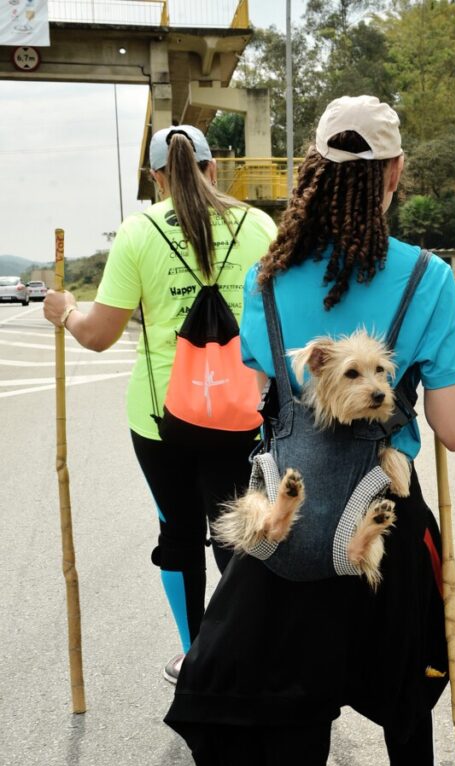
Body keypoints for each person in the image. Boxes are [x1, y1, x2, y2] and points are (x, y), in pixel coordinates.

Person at [164, 96, 455, 766]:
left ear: (310, 174)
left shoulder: (268, 281)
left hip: (286, 548)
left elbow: (264, 405)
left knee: (294, 740)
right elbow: (453, 429)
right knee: (406, 681)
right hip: (376, 529)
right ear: (393, 175)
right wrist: (413, 406)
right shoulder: (427, 280)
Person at [43, 126, 276, 683]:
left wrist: (66, 310)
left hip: (160, 419)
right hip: (244, 412)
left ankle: (197, 656)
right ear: (213, 168)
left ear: (156, 178)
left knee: (178, 533)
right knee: (240, 534)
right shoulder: (260, 225)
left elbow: (99, 334)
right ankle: (245, 649)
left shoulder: (138, 231)